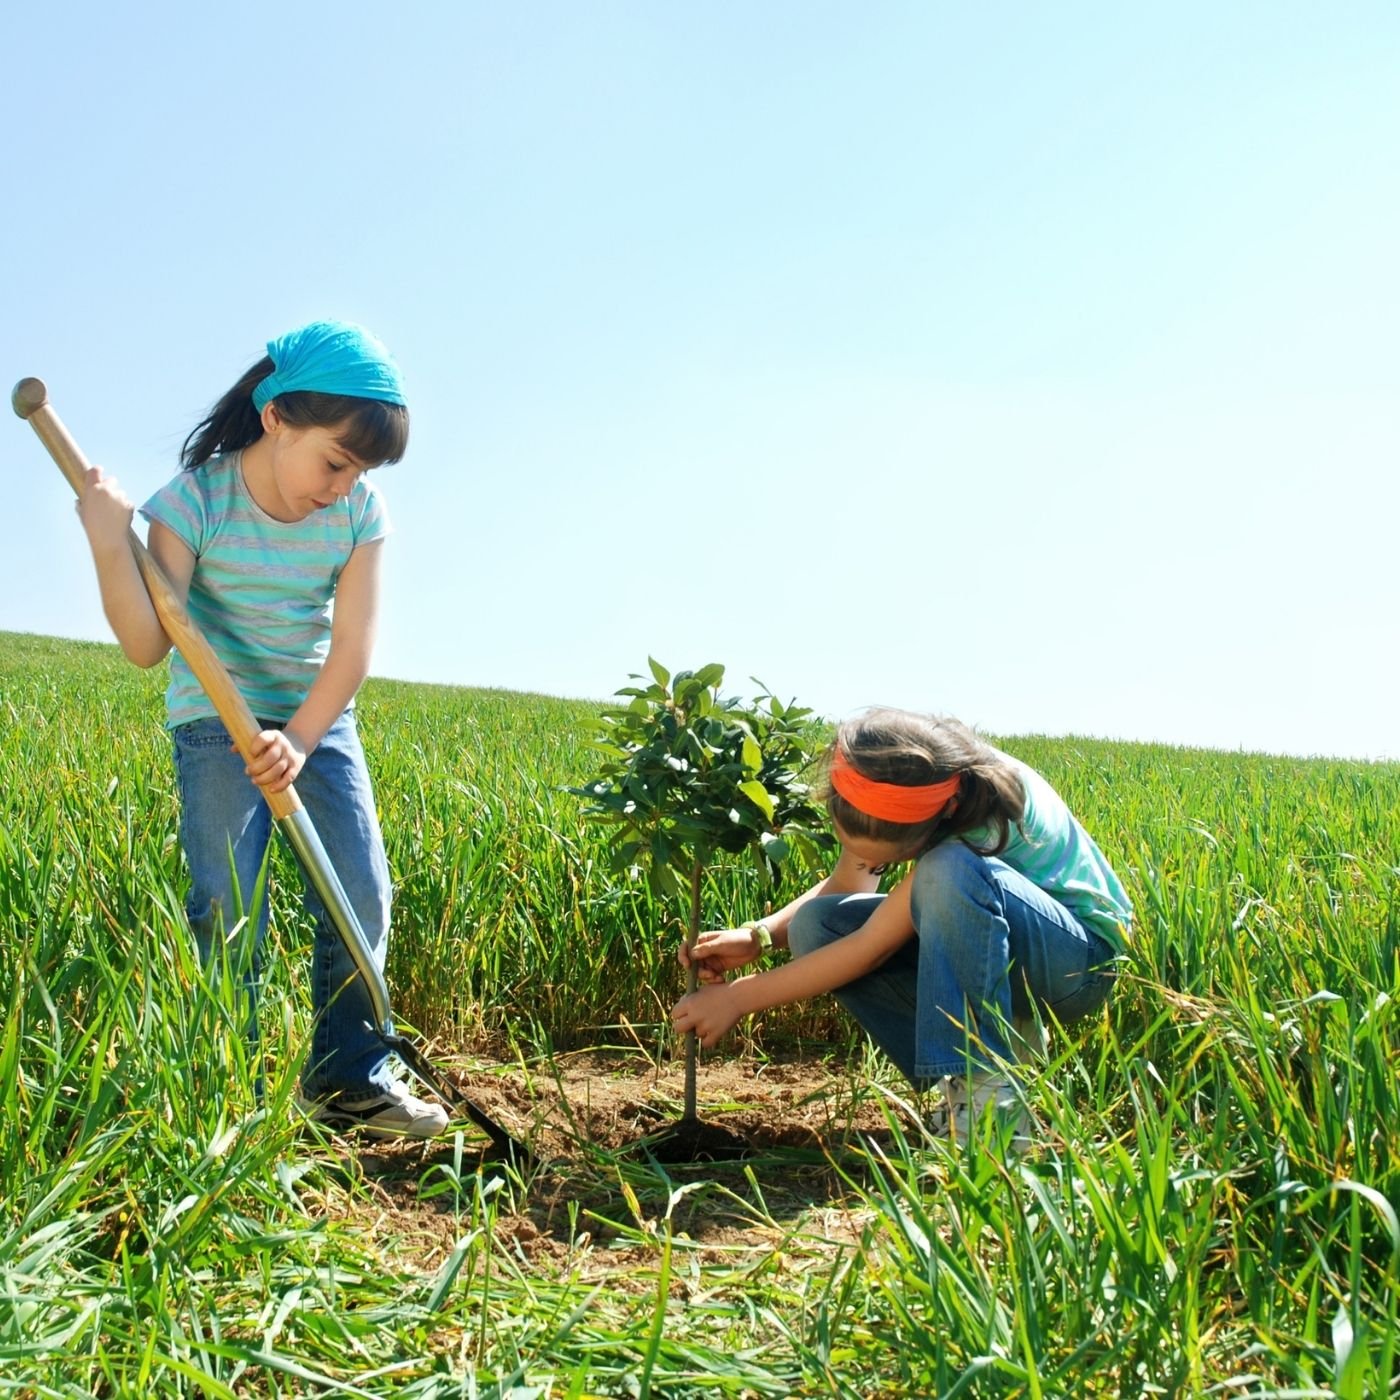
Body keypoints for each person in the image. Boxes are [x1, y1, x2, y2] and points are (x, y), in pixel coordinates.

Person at [75, 319, 447, 1140]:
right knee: (228, 902)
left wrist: (303, 739)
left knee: (360, 892)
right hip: (216, 720)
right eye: (336, 462)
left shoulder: (359, 514)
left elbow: (351, 649)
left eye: (360, 472)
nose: (343, 486)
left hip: (318, 719)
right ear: (277, 417)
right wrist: (107, 542)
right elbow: (146, 644)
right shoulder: (194, 504)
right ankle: (229, 1092)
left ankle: (350, 1077)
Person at [671, 707, 1131, 1141]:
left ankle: (992, 1102)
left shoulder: (979, 819)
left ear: (935, 821)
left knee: (946, 870)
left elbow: (872, 946)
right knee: (818, 926)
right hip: (1002, 940)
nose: (871, 864)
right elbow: (848, 884)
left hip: (1077, 965)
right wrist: (760, 935)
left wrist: (738, 998)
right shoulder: (887, 784)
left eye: (884, 860)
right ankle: (975, 1066)